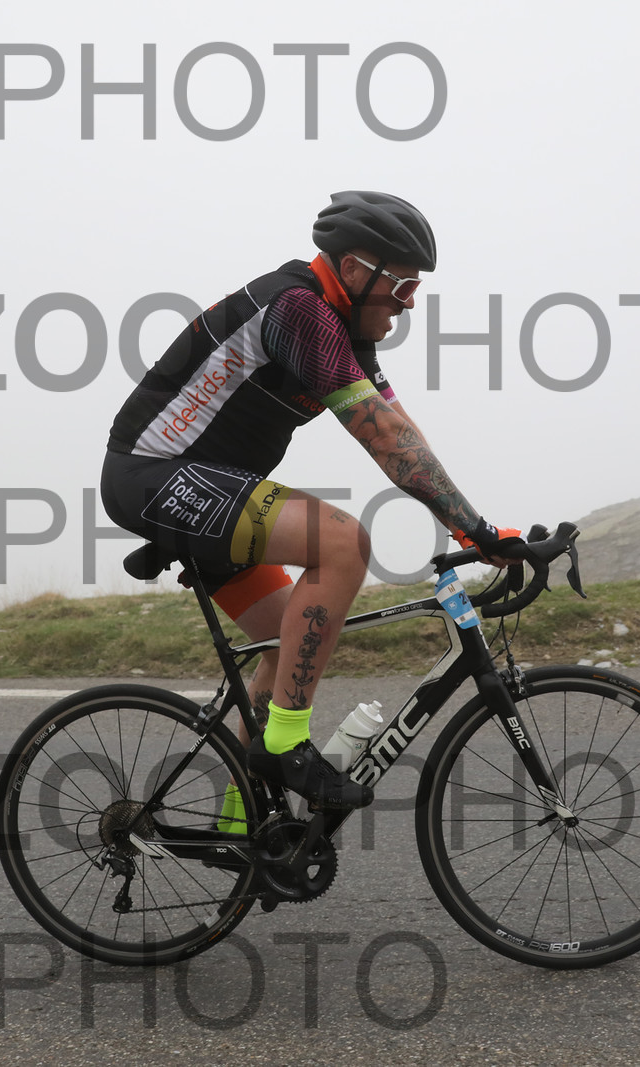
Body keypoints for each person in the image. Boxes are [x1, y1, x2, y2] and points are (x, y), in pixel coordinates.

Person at [100, 191, 518, 820]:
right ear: (352, 270)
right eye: (402, 285)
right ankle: (287, 745)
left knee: (284, 640)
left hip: (203, 485)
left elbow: (400, 429)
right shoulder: (299, 309)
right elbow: (383, 441)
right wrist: (476, 530)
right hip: (154, 475)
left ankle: (239, 825)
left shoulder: (344, 332)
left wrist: (475, 529)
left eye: (417, 289)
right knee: (343, 543)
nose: (409, 303)